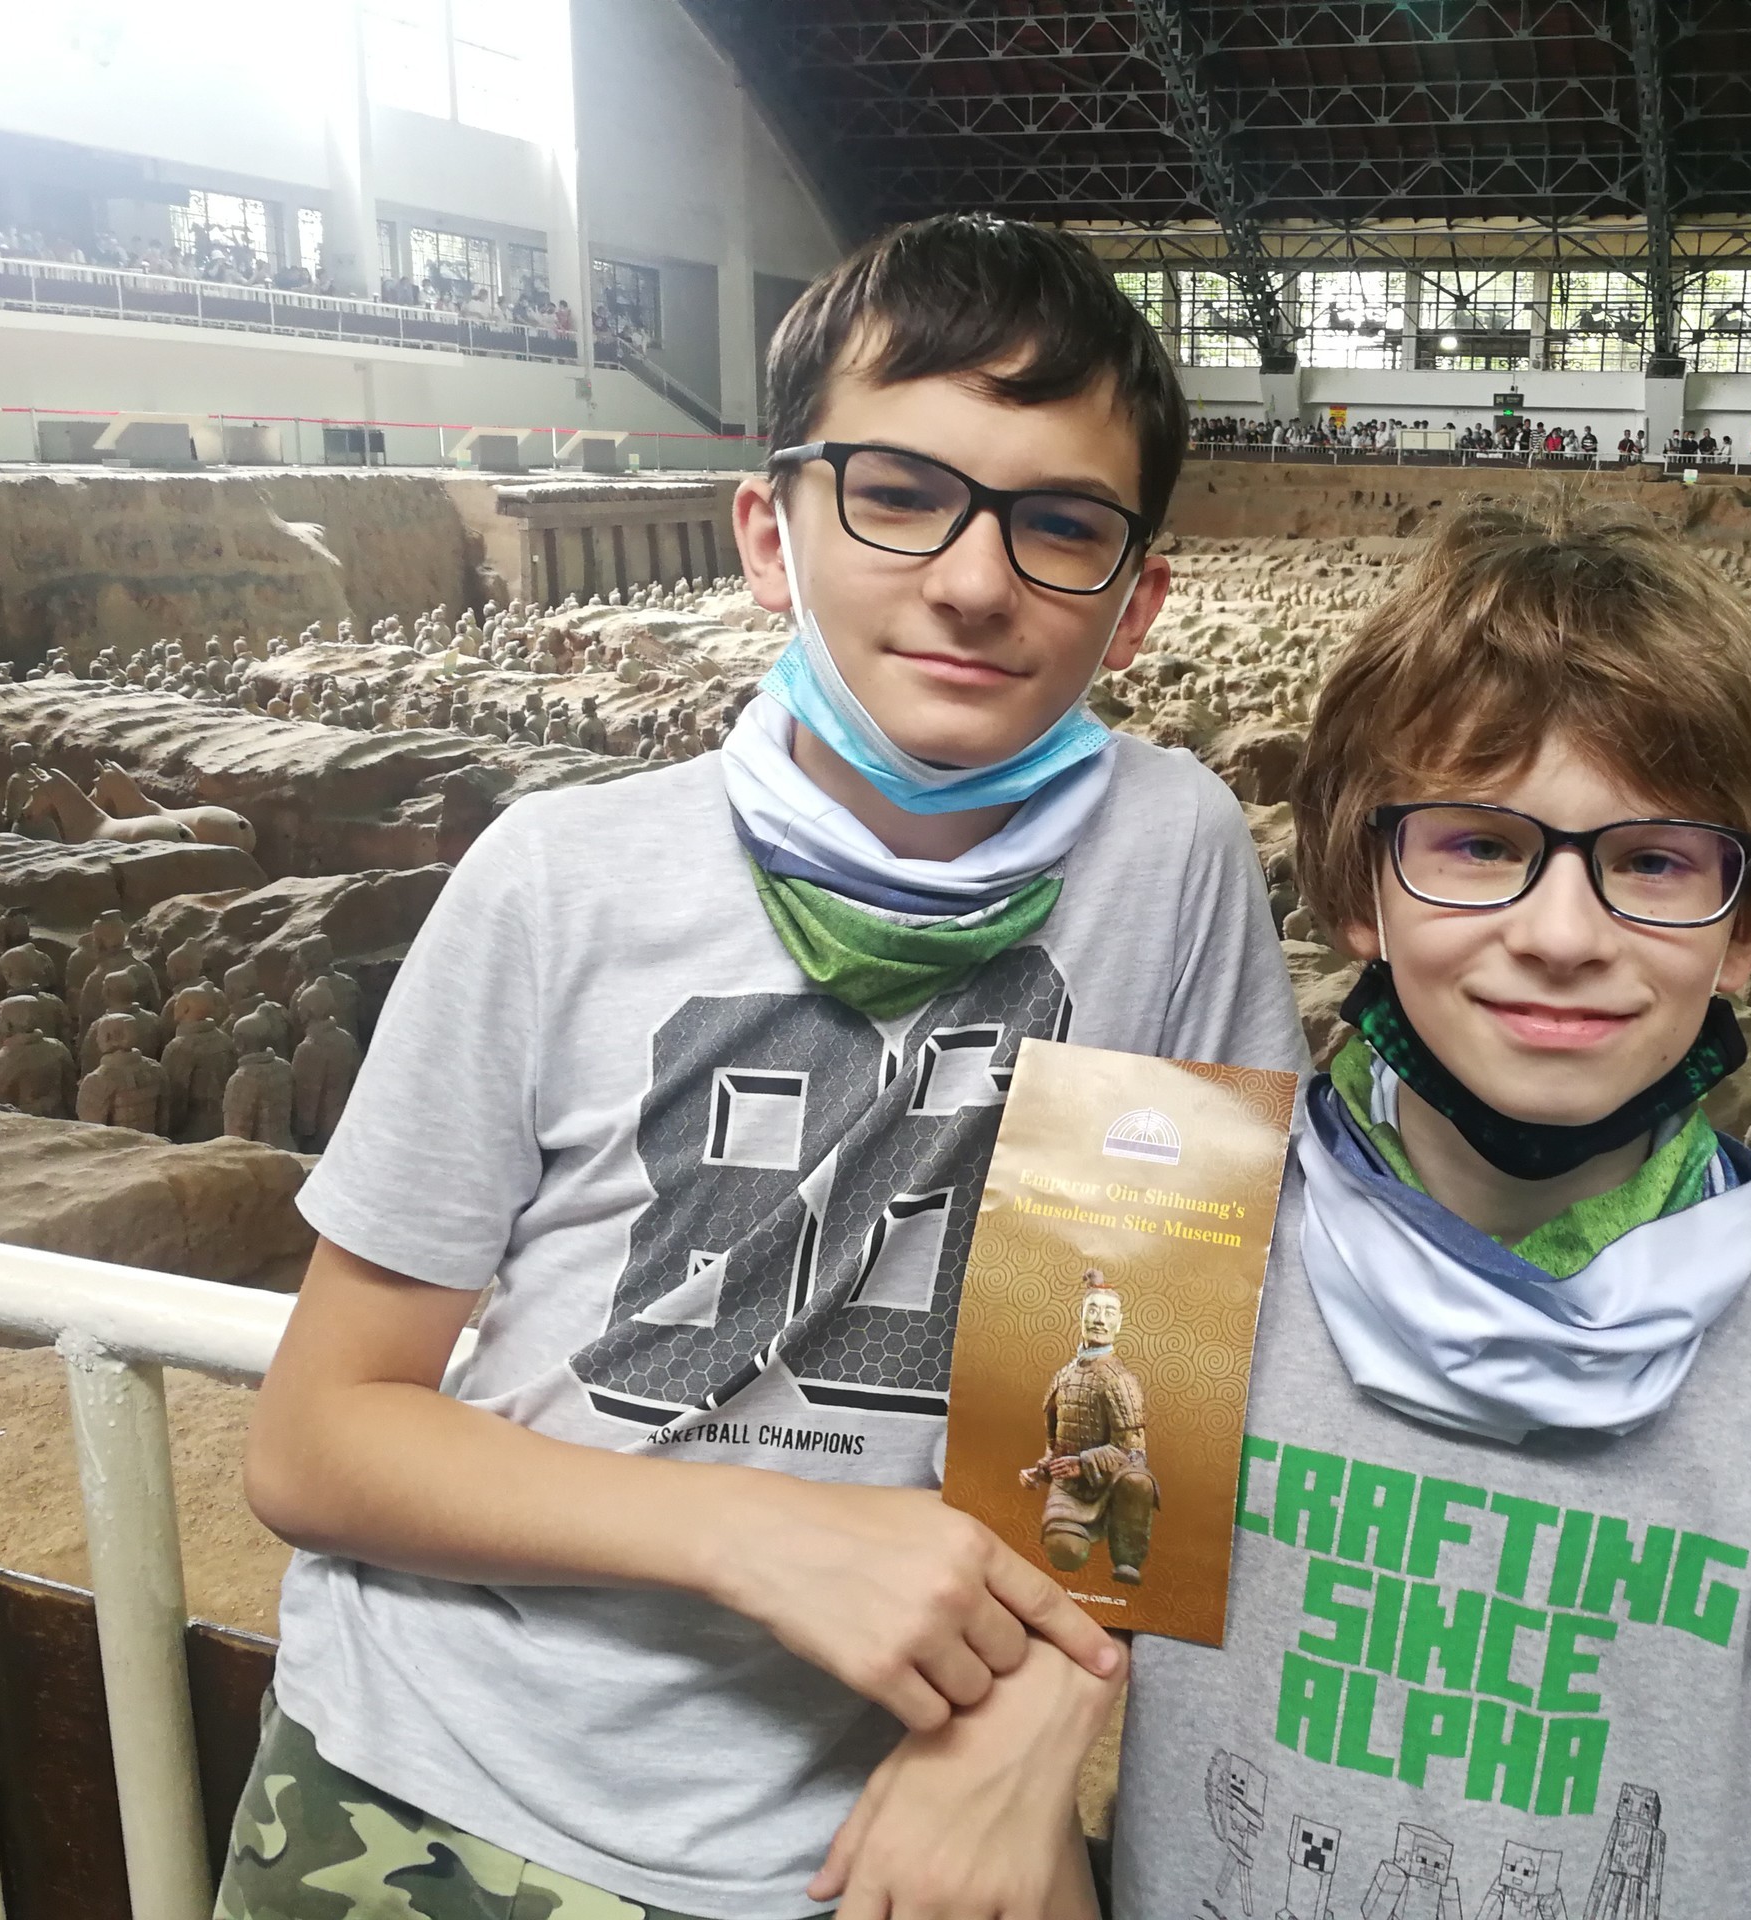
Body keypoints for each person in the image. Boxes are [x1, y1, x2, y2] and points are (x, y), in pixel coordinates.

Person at [221, 215, 1308, 1920]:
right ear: (769, 533)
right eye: (898, 493)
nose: (973, 580)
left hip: (880, 1842)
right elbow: (319, 1440)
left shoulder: (1163, 859)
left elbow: (1141, 1378)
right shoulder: (559, 880)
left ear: (1137, 602)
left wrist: (1020, 1739)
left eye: (1060, 525)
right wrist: (757, 1534)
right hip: (437, 1794)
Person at [817, 505, 1751, 1917]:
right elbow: (1008, 1709)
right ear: (1358, 890)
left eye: (1656, 861)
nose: (1562, 935)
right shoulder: (1154, 1243)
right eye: (1476, 844)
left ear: (1746, 929)